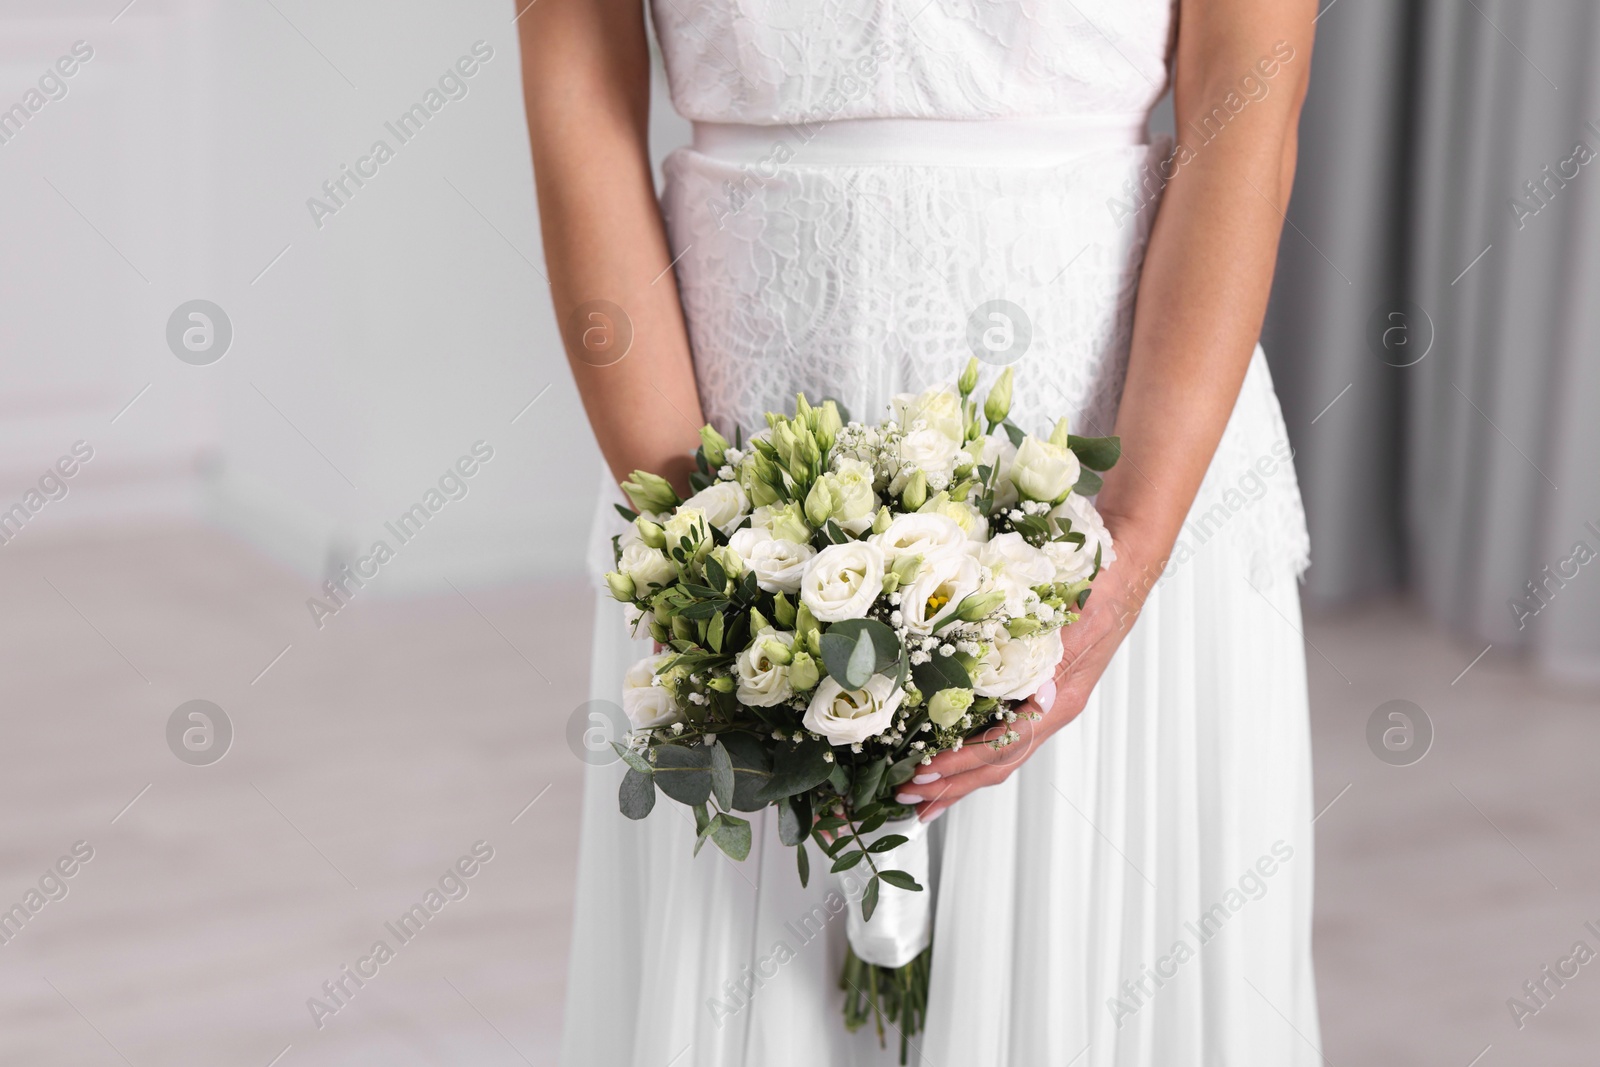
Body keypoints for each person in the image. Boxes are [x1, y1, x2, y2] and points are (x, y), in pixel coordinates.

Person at [522, 0, 1321, 1062]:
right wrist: (690, 542)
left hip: (1112, 454)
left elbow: (1248, 105)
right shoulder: (703, 523)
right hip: (728, 453)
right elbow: (576, 95)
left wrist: (1123, 550)